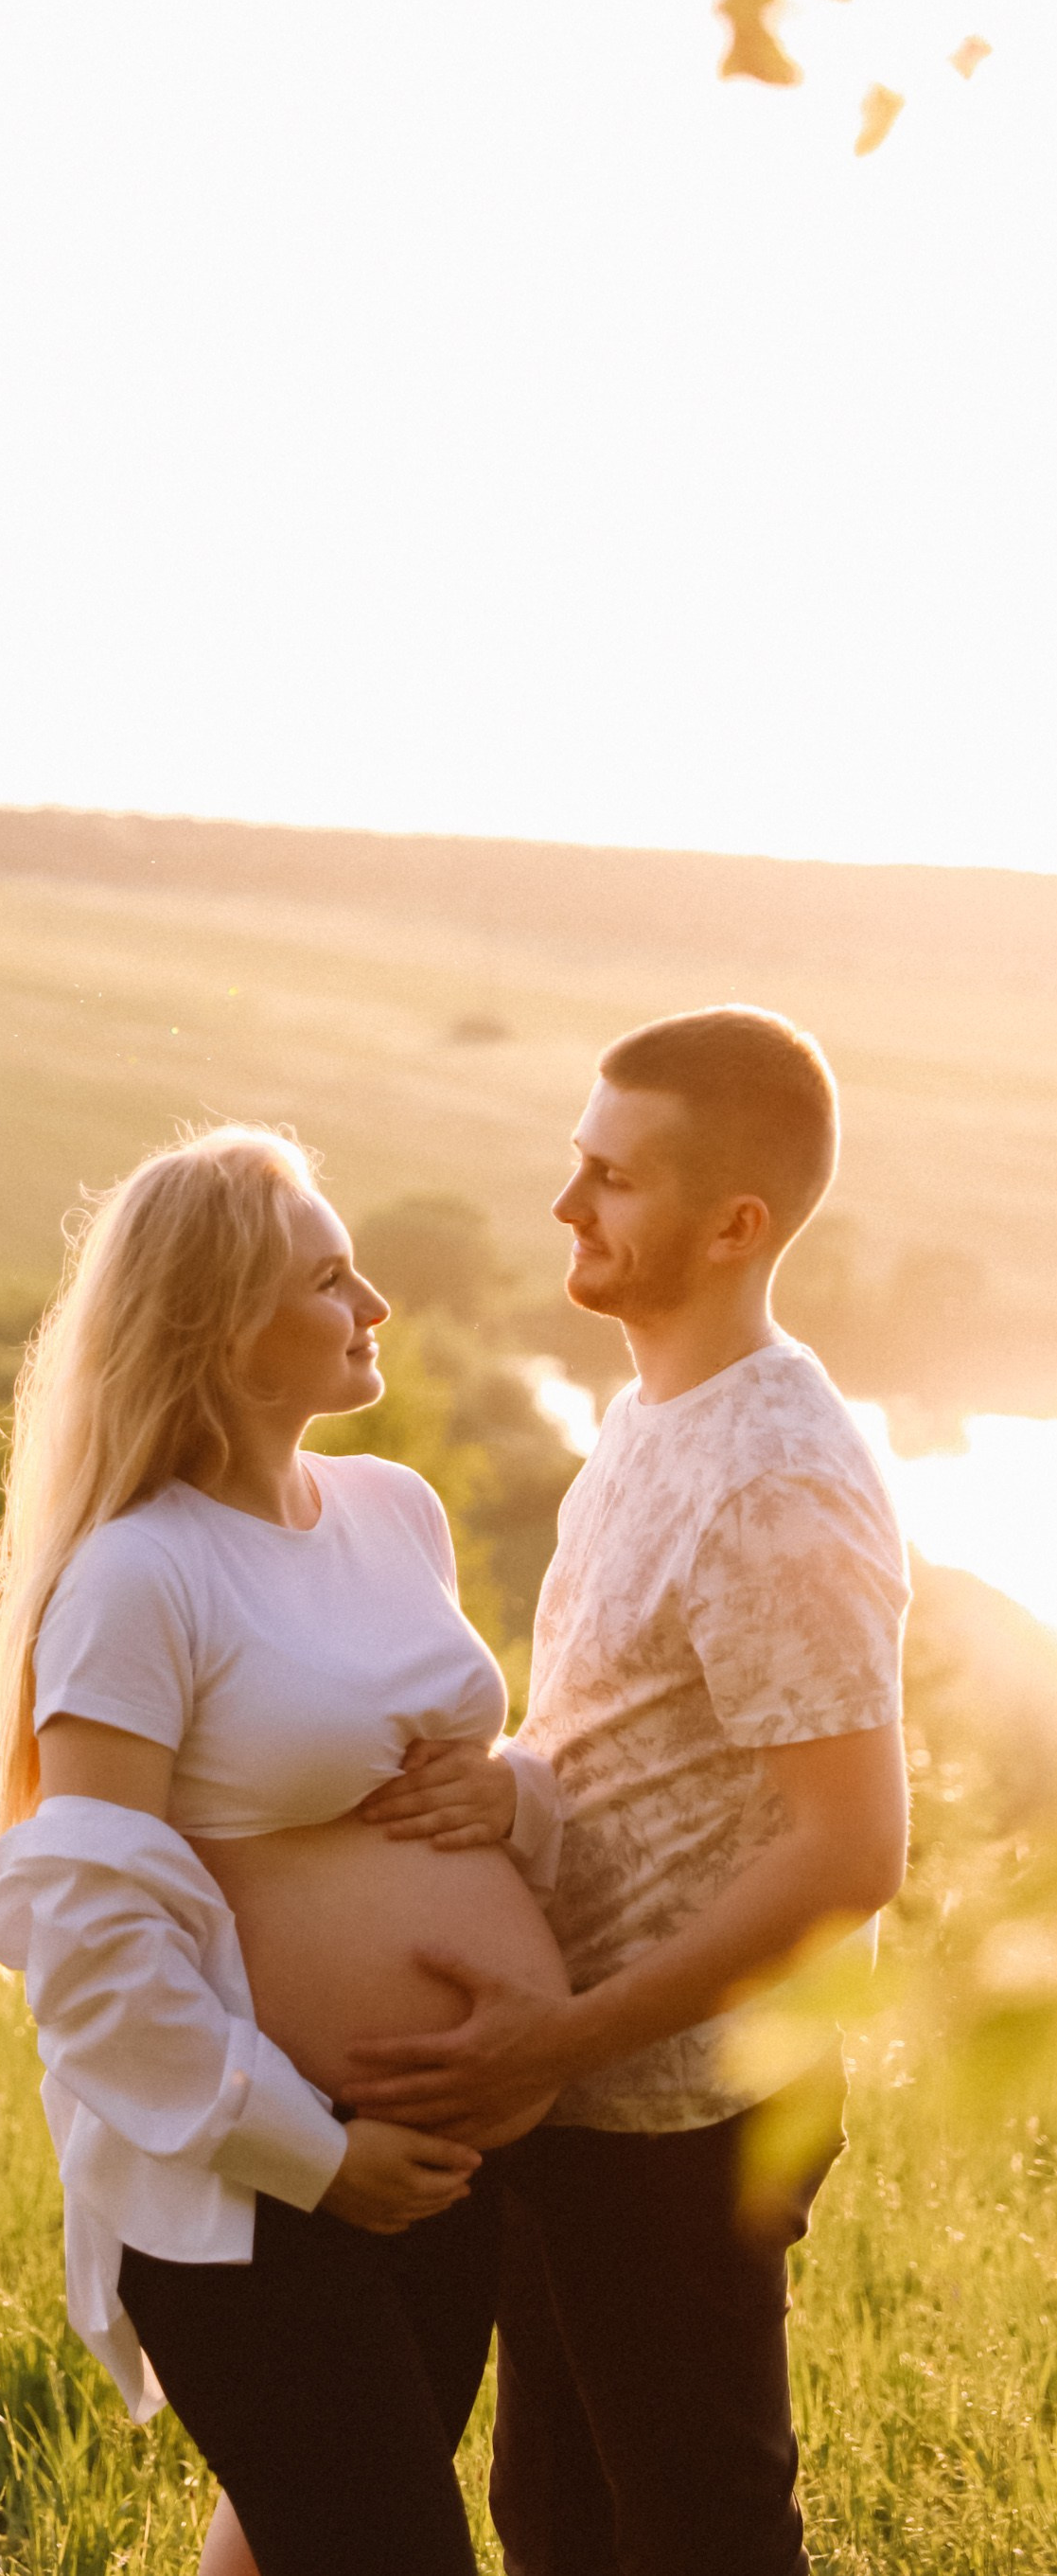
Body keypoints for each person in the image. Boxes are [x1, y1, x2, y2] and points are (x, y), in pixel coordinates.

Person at [344, 1006, 910, 2576]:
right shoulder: (650, 1414)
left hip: (682, 2108)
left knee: (694, 2531)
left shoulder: (775, 1475)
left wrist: (562, 2039)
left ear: (735, 1225)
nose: (564, 1203)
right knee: (559, 2518)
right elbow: (650, 1748)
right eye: (572, 1159)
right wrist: (513, 1794)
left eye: (610, 1175)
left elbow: (851, 1849)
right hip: (583, 2089)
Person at [0, 1123, 568, 2576]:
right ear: (227, 1335)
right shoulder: (136, 1574)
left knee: (316, 2537)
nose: (374, 1306)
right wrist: (318, 2155)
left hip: (439, 2154)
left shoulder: (395, 1509)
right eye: (329, 1279)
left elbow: (462, 1781)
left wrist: (516, 1799)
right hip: (250, 2186)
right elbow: (90, 1944)